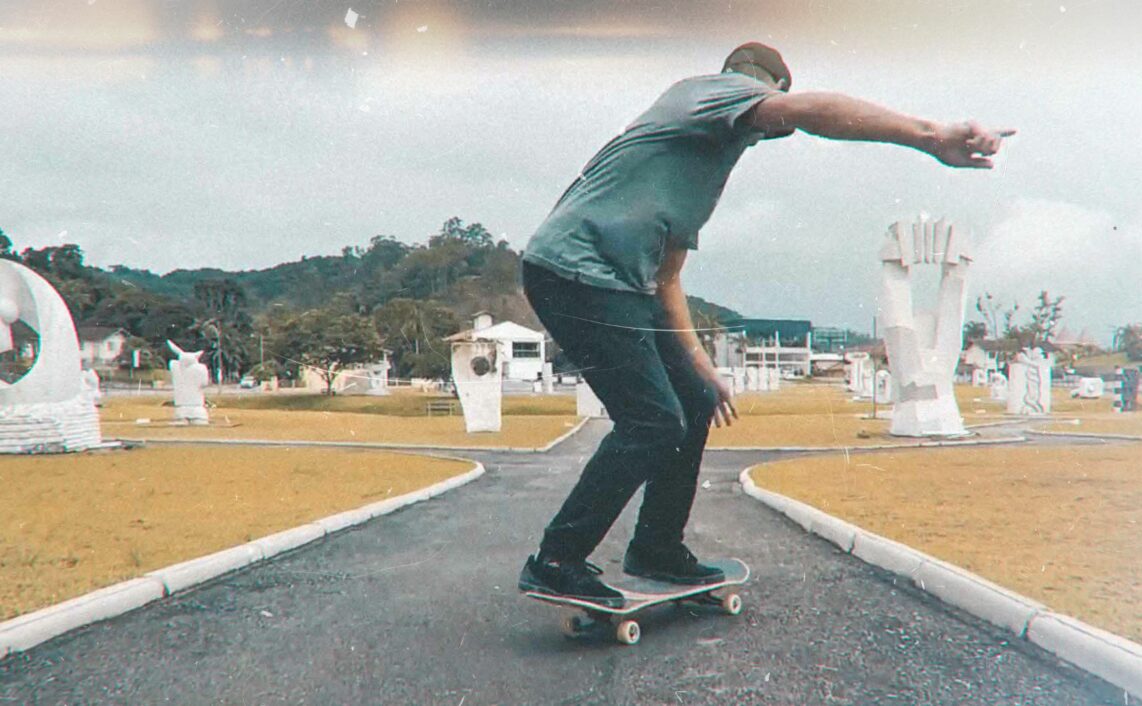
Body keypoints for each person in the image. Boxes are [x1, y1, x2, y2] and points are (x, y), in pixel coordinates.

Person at [517, 42, 1014, 607]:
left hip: (612, 281)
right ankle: (556, 560)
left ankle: (656, 547)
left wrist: (701, 367)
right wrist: (928, 136)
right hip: (576, 272)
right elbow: (807, 112)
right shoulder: (712, 94)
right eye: (769, 109)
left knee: (692, 402)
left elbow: (667, 276)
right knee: (651, 422)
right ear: (765, 89)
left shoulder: (698, 158)